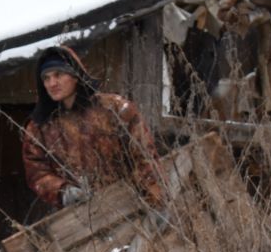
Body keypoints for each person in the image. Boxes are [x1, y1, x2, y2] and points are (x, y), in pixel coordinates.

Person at [21, 45, 164, 215]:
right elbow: (37, 173)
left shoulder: (114, 109)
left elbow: (144, 155)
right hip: (76, 218)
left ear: (75, 76)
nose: (52, 83)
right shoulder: (40, 126)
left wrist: (156, 201)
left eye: (58, 75)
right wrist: (63, 192)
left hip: (128, 206)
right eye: (46, 78)